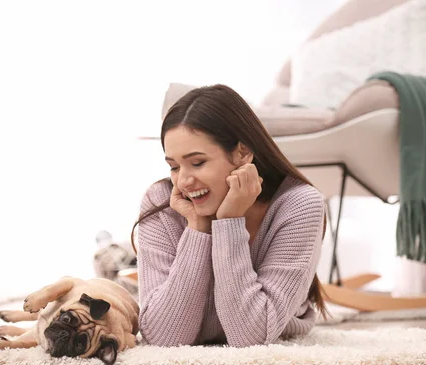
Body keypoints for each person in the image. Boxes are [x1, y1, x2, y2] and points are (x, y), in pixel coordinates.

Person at [130, 84, 328, 347]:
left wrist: (229, 223)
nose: (185, 181)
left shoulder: (299, 204)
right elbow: (165, 337)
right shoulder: (161, 201)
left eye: (198, 162)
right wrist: (198, 226)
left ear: (242, 153)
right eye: (174, 166)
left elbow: (249, 336)